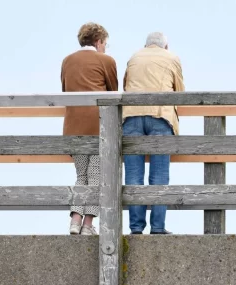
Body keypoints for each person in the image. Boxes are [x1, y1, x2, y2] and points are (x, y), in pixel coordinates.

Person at [122, 31, 185, 234]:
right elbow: (180, 93)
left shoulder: (133, 57)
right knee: (159, 175)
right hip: (160, 116)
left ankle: (136, 228)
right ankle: (157, 227)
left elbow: (125, 86)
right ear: (165, 46)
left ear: (146, 45)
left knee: (133, 175)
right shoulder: (172, 58)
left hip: (131, 116)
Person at [62, 22, 118, 235]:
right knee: (95, 177)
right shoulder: (106, 61)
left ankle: (74, 221)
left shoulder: (67, 61)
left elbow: (65, 90)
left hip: (73, 126)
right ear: (98, 41)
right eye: (105, 43)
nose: (105, 47)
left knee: (81, 176)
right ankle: (87, 225)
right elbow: (113, 93)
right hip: (98, 126)